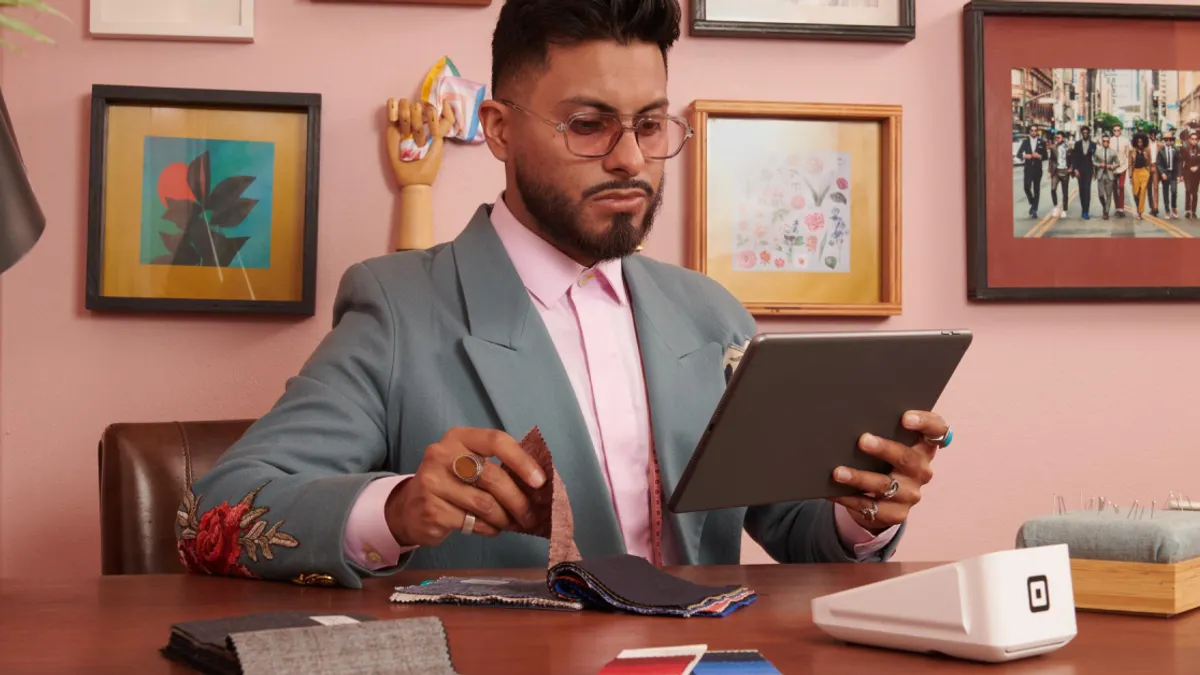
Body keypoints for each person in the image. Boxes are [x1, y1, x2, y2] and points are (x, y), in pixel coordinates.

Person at [173, 0, 951, 589]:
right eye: (589, 125)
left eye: (650, 125)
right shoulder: (398, 307)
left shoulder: (711, 314)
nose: (630, 159)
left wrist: (863, 508)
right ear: (500, 130)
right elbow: (217, 512)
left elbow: (791, 528)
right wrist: (399, 506)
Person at [1017, 124, 1047, 218]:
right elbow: (1018, 154)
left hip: (1038, 169)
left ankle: (1034, 210)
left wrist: (1039, 156)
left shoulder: (1041, 142)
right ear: (1029, 132)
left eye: (1035, 130)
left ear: (1037, 131)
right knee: (1026, 187)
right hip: (1028, 168)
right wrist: (1025, 156)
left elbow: (1046, 156)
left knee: (1036, 189)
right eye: (1032, 130)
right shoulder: (1025, 142)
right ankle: (1032, 202)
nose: (1034, 132)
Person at [1071, 126, 1096, 220]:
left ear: (1088, 133)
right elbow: (1074, 157)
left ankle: (1086, 211)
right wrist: (1075, 169)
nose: (1085, 134)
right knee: (1081, 190)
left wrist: (1094, 172)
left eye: (1086, 133)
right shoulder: (1077, 144)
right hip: (1080, 170)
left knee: (1087, 190)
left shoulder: (1093, 145)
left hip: (1089, 169)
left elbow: (1095, 159)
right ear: (1081, 134)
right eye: (1083, 133)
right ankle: (1083, 209)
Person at [1128, 132, 1153, 220]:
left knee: (1142, 192)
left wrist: (1148, 172)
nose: (1140, 143)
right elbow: (1130, 164)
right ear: (1135, 142)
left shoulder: (1147, 150)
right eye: (1138, 142)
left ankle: (1140, 212)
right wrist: (1130, 176)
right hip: (1135, 172)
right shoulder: (1132, 151)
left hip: (1144, 172)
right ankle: (1138, 207)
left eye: (1141, 142)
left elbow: (1149, 163)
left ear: (1144, 142)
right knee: (1135, 193)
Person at [1156, 132, 1180, 219]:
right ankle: (1167, 210)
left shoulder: (1176, 149)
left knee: (1174, 191)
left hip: (1173, 174)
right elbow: (1158, 164)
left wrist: (1179, 175)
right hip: (1165, 174)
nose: (1168, 141)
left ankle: (1174, 207)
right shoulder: (1161, 150)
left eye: (1170, 140)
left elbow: (1178, 163)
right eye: (1166, 140)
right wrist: (1162, 173)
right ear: (1164, 141)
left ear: (1172, 140)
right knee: (1165, 192)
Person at [1093, 134, 1118, 220]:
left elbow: (1117, 163)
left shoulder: (1113, 152)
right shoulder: (1097, 151)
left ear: (1109, 142)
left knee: (1109, 195)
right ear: (1101, 141)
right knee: (1100, 195)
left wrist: (1112, 166)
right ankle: (1104, 207)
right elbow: (1093, 161)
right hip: (1100, 174)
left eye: (1107, 141)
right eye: (1104, 141)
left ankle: (1106, 212)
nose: (1105, 143)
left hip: (1109, 175)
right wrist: (1099, 164)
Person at [1049, 131, 1072, 218]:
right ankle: (1055, 207)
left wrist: (1071, 168)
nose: (1057, 139)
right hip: (1056, 172)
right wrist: (1049, 171)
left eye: (1059, 137)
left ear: (1063, 138)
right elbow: (1051, 160)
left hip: (1065, 172)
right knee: (1053, 189)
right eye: (1056, 138)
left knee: (1065, 192)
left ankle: (1064, 210)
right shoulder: (1053, 147)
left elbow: (1072, 159)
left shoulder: (1068, 147)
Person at [1182, 130, 1200, 219]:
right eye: (1192, 139)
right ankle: (1188, 211)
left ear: (1197, 140)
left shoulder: (1199, 149)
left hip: (1197, 174)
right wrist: (1187, 170)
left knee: (1195, 192)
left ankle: (1194, 211)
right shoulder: (1185, 149)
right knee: (1188, 191)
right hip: (1188, 173)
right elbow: (1183, 162)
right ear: (1189, 139)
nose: (1194, 141)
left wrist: (1197, 167)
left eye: (1195, 139)